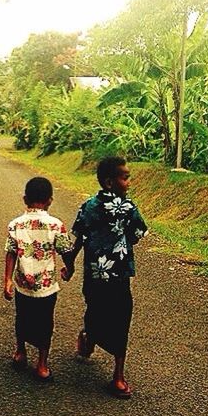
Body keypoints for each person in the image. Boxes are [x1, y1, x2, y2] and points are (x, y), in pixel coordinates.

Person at [64, 156, 148, 399]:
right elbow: (136, 235)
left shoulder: (88, 206)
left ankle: (98, 347)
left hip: (95, 274)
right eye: (125, 177)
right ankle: (117, 376)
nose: (129, 182)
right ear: (110, 182)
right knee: (121, 318)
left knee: (96, 311)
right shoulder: (129, 208)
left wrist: (69, 265)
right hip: (119, 274)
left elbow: (78, 238)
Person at [4, 177, 73, 381]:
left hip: (22, 284)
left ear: (25, 199)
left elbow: (11, 252)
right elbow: (66, 250)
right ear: (50, 200)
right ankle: (42, 364)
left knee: (22, 318)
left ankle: (20, 352)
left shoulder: (15, 224)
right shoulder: (56, 225)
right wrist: (70, 268)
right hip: (47, 286)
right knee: (45, 323)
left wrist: (7, 280)